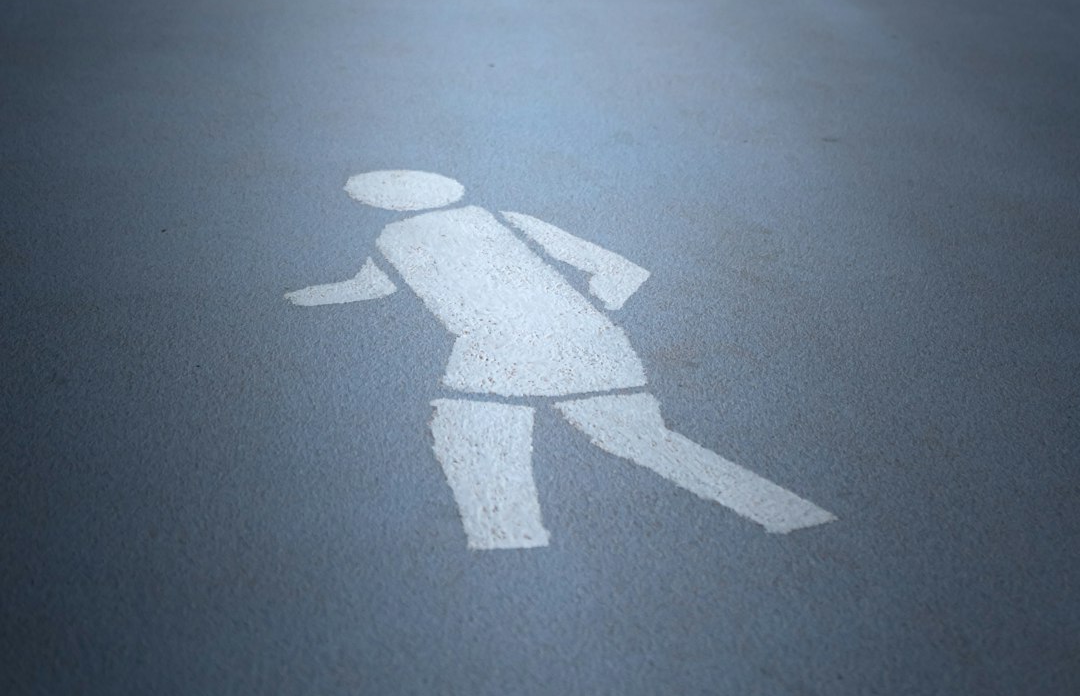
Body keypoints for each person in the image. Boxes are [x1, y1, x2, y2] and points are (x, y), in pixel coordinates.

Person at [286, 168, 835, 550]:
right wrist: (592, 314)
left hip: (503, 344)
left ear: (371, 200)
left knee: (476, 430)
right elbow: (622, 271)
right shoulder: (495, 222)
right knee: (631, 439)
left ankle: (504, 536)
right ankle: (777, 508)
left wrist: (303, 296)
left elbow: (364, 290)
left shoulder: (398, 238)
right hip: (565, 339)